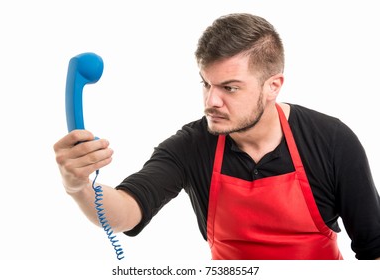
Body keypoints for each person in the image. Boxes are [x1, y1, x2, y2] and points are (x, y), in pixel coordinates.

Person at [54, 13, 380, 260]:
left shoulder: (332, 140)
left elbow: (373, 249)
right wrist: (78, 185)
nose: (212, 101)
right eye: (206, 84)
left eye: (230, 88)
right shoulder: (191, 145)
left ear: (273, 86)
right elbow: (127, 211)